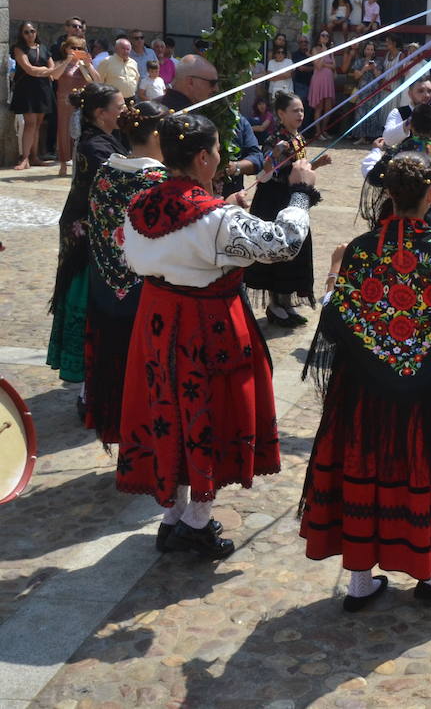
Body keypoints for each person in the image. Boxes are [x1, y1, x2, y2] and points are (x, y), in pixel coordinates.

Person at [118, 113, 316, 557]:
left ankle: (173, 516)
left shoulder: (139, 205)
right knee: (206, 413)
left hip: (157, 321)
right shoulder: (215, 220)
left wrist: (226, 220)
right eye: (219, 151)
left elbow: (140, 255)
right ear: (204, 157)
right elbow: (283, 242)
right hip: (205, 328)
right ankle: (195, 522)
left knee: (168, 410)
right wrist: (300, 194)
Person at [299, 152, 431, 609]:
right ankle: (429, 576)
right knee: (426, 474)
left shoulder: (361, 249)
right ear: (430, 195)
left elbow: (336, 313)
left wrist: (332, 271)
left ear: (387, 193)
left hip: (365, 388)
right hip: (428, 391)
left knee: (364, 472)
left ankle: (360, 584)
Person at [83, 100, 168, 445]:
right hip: (146, 298)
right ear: (159, 134)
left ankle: (121, 435)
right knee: (146, 376)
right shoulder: (159, 180)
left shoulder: (107, 171)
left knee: (113, 370)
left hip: (106, 292)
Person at [47, 83, 130, 407]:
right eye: (119, 105)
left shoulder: (107, 140)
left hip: (96, 236)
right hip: (85, 239)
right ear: (100, 113)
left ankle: (94, 384)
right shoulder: (94, 147)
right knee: (87, 309)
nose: (124, 110)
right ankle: (89, 389)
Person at [246, 92, 332, 327]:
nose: (300, 114)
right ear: (281, 114)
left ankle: (285, 302)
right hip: (274, 202)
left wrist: (317, 164)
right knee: (279, 248)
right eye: (295, 110)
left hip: (294, 199)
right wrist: (272, 155)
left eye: (302, 110)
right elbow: (264, 174)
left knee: (296, 249)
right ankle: (275, 303)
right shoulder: (274, 139)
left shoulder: (299, 138)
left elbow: (298, 169)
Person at [361, 103, 431, 237]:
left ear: (411, 125)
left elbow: (375, 176)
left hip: (399, 218)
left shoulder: (399, 151)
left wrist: (376, 151)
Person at [11, 20, 58, 170]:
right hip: (27, 89)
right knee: (30, 123)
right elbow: (28, 68)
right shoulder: (19, 49)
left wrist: (44, 70)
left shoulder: (43, 48)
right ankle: (24, 158)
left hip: (42, 89)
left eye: (32, 31)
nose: (30, 34)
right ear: (21, 34)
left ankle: (34, 156)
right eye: (26, 32)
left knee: (38, 124)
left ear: (36, 32)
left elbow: (53, 68)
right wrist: (45, 71)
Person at [53, 35, 98, 176]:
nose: (76, 50)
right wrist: (67, 60)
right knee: (64, 132)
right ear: (66, 48)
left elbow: (97, 80)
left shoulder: (85, 66)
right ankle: (63, 163)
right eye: (73, 47)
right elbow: (54, 76)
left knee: (81, 131)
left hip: (81, 103)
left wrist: (88, 64)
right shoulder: (60, 62)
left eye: (79, 48)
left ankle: (80, 162)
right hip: (64, 102)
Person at [307, 32, 337, 136]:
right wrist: (324, 54)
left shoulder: (330, 50)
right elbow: (318, 66)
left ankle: (324, 130)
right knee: (319, 107)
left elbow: (334, 66)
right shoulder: (315, 49)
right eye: (323, 35)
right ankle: (318, 132)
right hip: (318, 80)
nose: (325, 37)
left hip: (328, 81)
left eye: (327, 36)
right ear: (319, 37)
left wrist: (326, 61)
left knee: (328, 107)